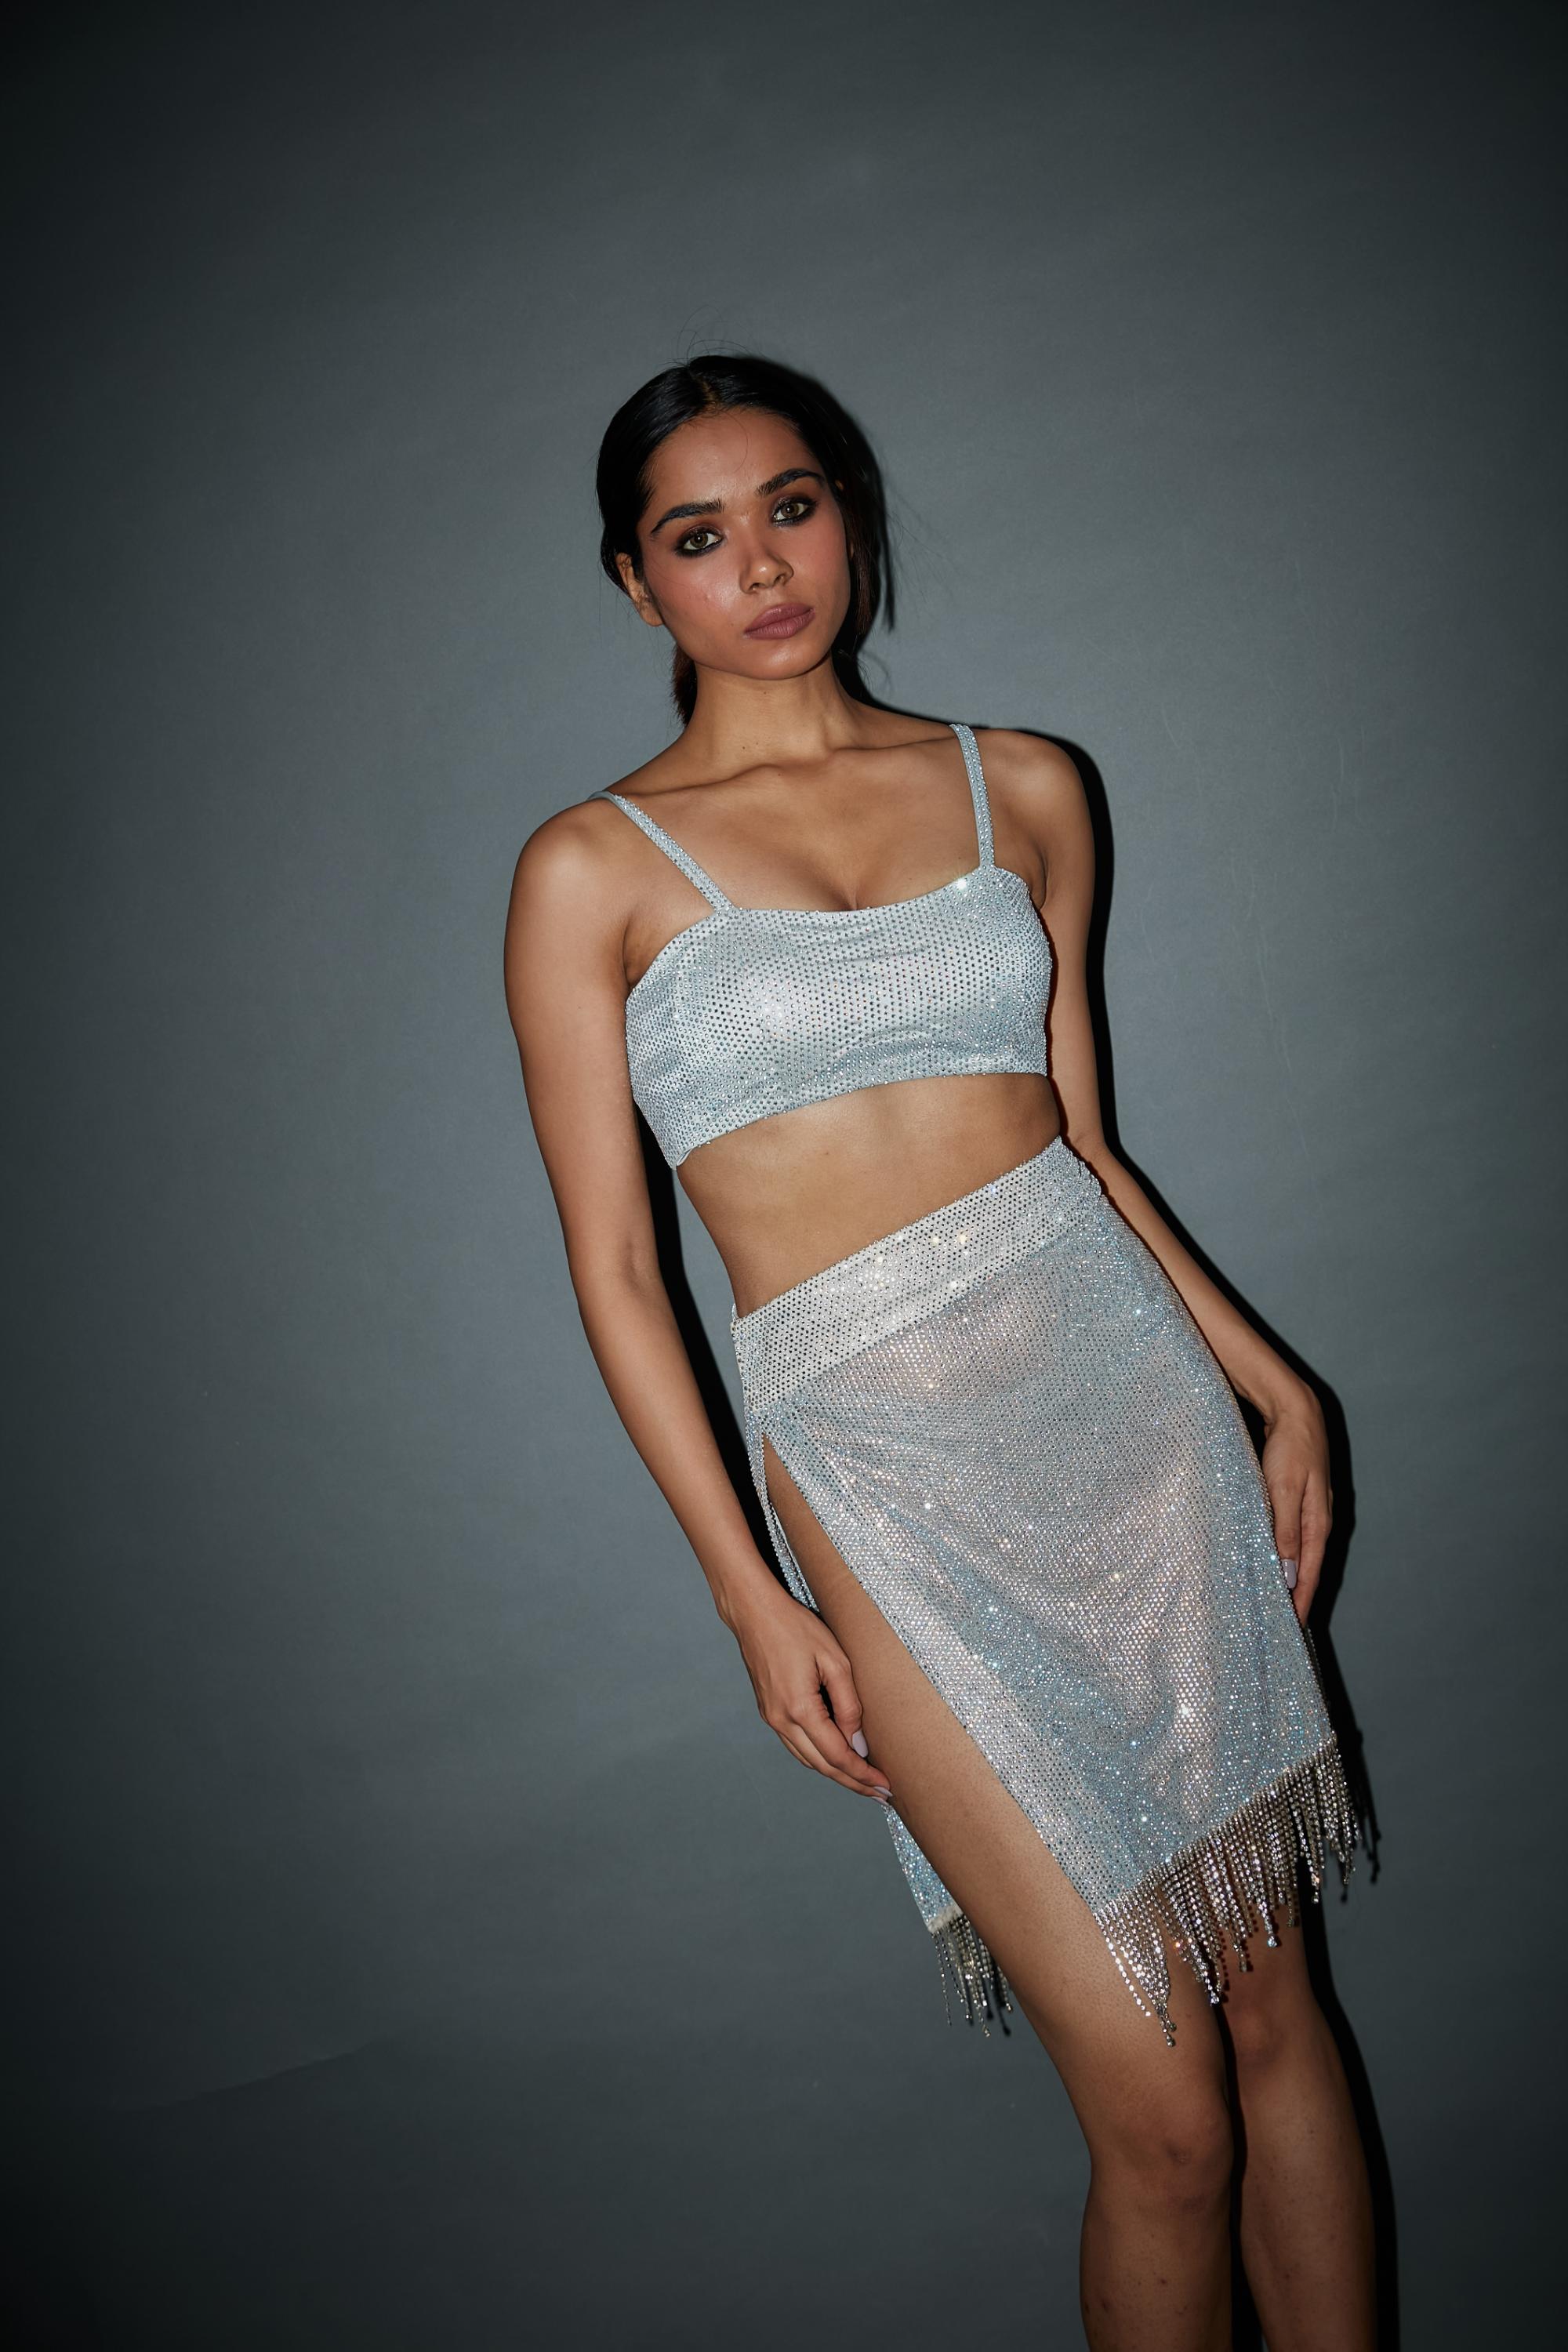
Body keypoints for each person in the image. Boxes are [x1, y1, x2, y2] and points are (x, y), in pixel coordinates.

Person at [504, 354, 1377, 2350]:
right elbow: (618, 1272)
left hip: (1132, 1421)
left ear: (852, 515)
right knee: (1160, 2116)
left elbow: (1081, 1147)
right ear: (636, 582)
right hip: (884, 1483)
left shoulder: (1025, 785)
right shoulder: (590, 869)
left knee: (1272, 2021)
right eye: (698, 535)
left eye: (792, 507)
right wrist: (748, 1591)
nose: (760, 566)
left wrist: (1276, 1386)